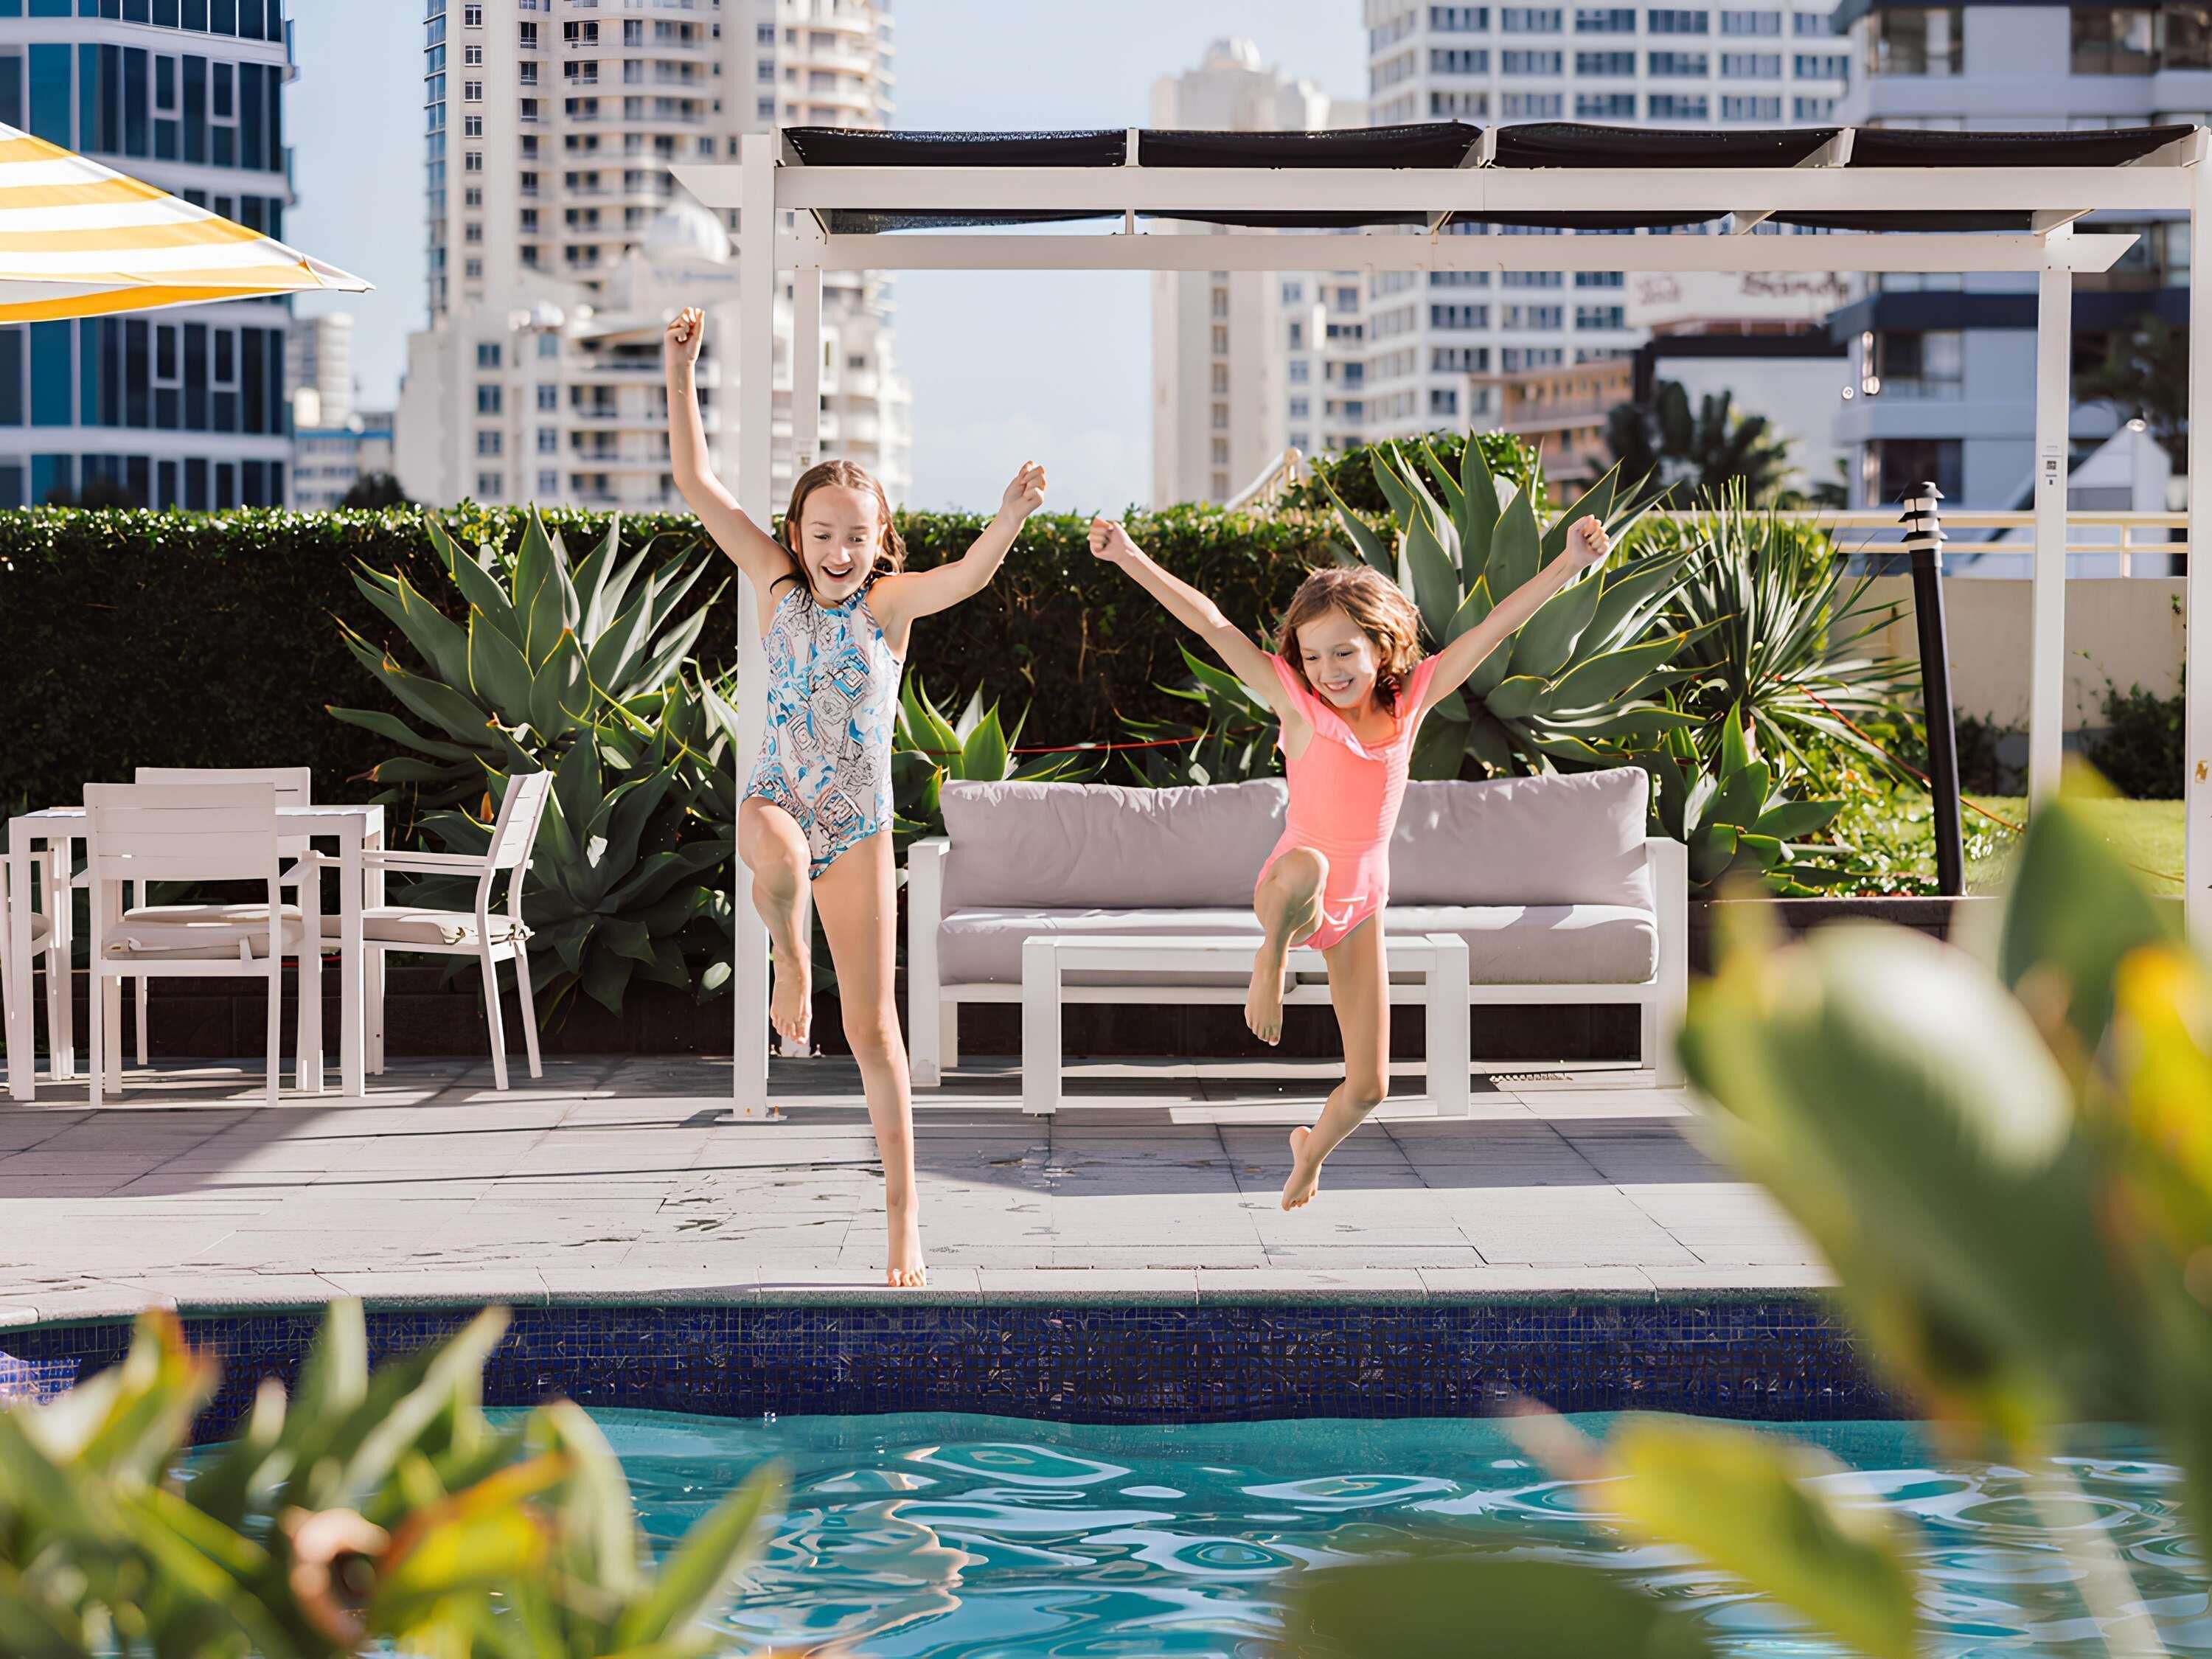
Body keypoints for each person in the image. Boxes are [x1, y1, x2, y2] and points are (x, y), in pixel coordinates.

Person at [667, 305, 1048, 1287]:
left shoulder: (887, 607)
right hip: (778, 798)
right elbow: (697, 483)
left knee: (876, 1031)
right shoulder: (774, 584)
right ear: (796, 534)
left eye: (856, 536)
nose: (837, 549)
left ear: (880, 542)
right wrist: (682, 369)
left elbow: (968, 576)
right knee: (781, 853)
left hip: (861, 825)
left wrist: (1009, 514)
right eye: (822, 533)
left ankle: (903, 1219)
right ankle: (791, 963)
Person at [1088, 510, 1610, 1209]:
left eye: (1343, 654)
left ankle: (1310, 1152)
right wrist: (1128, 556)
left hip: (1361, 905)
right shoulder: (1298, 707)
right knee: (1312, 867)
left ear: (1380, 646)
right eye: (1312, 657)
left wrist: (1569, 563)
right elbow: (1212, 624)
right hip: (1289, 888)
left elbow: (1493, 629)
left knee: (1370, 1087)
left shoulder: (1411, 703)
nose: (1326, 672)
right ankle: (1270, 962)